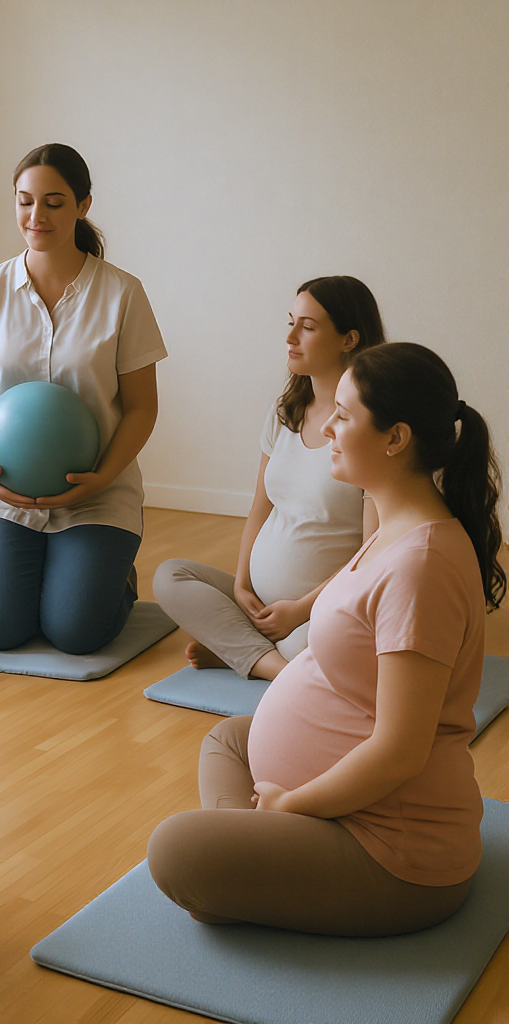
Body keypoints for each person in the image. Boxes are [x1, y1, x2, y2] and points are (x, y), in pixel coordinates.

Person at [147, 342, 505, 936]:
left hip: (392, 850)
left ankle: (252, 851)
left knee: (173, 850)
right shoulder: (395, 522)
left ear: (395, 438)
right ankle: (255, 856)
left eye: (344, 415)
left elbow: (400, 751)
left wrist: (293, 804)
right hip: (333, 802)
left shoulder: (422, 564)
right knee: (229, 738)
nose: (329, 429)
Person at [0, 143, 167, 655]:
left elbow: (141, 407)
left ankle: (112, 575)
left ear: (84, 205)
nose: (35, 216)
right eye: (24, 201)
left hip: (98, 492)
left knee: (76, 632)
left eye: (53, 202)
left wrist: (102, 478)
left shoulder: (122, 293)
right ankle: (57, 567)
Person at [153, 277, 385, 680]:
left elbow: (370, 554)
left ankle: (245, 651)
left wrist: (301, 609)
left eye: (307, 327)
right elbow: (260, 507)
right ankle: (274, 664)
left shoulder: (367, 427)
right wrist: (242, 586)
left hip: (321, 609)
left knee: (321, 643)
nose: (290, 337)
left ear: (349, 339)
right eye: (291, 322)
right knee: (170, 576)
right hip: (259, 603)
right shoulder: (285, 412)